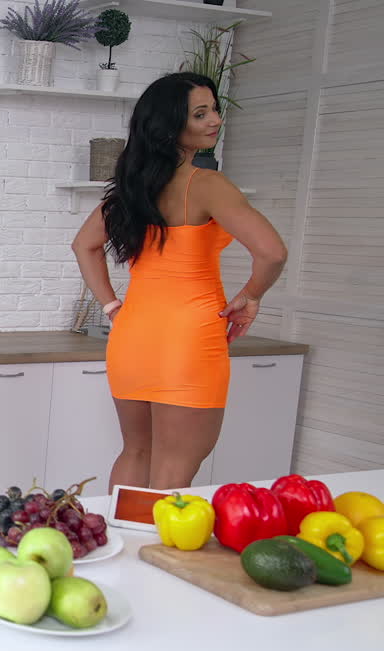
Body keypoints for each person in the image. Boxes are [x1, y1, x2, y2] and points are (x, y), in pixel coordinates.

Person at [70, 73, 288, 491]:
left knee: (136, 451)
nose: (216, 121)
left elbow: (84, 245)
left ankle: (121, 545)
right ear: (170, 125)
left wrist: (112, 306)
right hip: (189, 339)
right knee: (176, 460)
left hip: (133, 334)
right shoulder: (206, 184)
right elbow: (273, 252)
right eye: (200, 113)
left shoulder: (132, 187)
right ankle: (152, 552)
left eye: (214, 110)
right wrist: (251, 296)